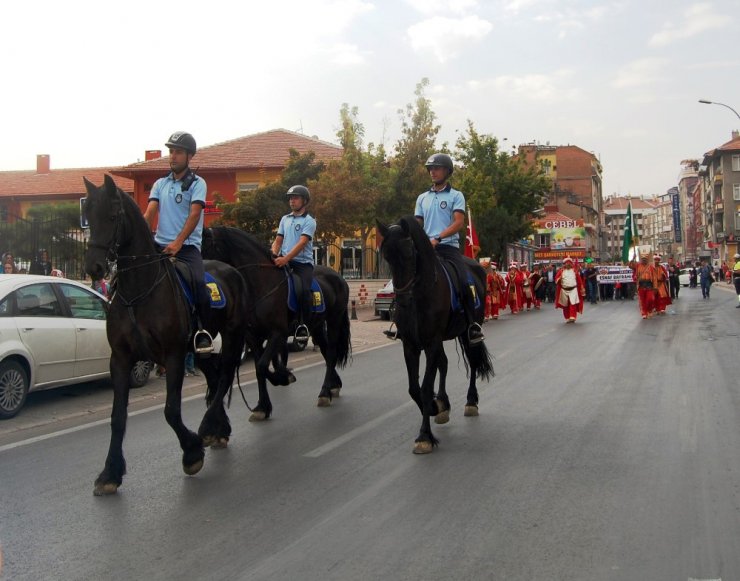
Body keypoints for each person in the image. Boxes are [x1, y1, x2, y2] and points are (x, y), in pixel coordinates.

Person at [143, 131, 213, 354]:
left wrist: (178, 243)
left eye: (178, 152)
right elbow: (149, 213)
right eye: (171, 151)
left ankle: (201, 331)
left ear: (189, 156)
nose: (172, 156)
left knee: (199, 285)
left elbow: (194, 215)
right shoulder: (160, 184)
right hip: (159, 246)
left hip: (187, 248)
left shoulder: (197, 183)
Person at [414, 153, 484, 344]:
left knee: (464, 281)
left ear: (447, 171)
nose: (432, 172)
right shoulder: (422, 198)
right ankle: (402, 322)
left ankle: (472, 326)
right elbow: (417, 223)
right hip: (428, 250)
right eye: (430, 169)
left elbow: (458, 223)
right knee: (406, 278)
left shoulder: (456, 195)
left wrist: (437, 237)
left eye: (436, 168)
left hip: (448, 248)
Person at [271, 185, 316, 345]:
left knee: (303, 291)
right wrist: (274, 255)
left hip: (302, 265)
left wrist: (286, 258)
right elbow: (278, 240)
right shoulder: (285, 219)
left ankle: (304, 325)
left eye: (295, 198)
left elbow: (302, 243)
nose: (292, 200)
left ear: (304, 201)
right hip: (284, 261)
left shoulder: (309, 221)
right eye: (290, 198)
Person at [554, 257, 585, 323]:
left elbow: (579, 280)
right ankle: (567, 317)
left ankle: (572, 316)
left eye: (569, 263)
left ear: (571, 264)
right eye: (566, 263)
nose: (568, 264)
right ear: (564, 264)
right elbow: (556, 279)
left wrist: (582, 288)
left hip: (573, 289)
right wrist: (559, 279)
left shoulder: (574, 271)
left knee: (572, 303)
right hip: (564, 290)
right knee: (565, 305)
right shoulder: (561, 271)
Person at [633, 254, 656, 319]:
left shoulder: (651, 267)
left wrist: (655, 287)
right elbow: (630, 265)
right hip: (641, 285)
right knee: (642, 301)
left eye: (645, 259)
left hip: (649, 285)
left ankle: (649, 310)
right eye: (643, 259)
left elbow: (654, 277)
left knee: (650, 299)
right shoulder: (638, 266)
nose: (644, 260)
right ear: (641, 260)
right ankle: (644, 313)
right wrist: (633, 258)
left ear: (647, 260)